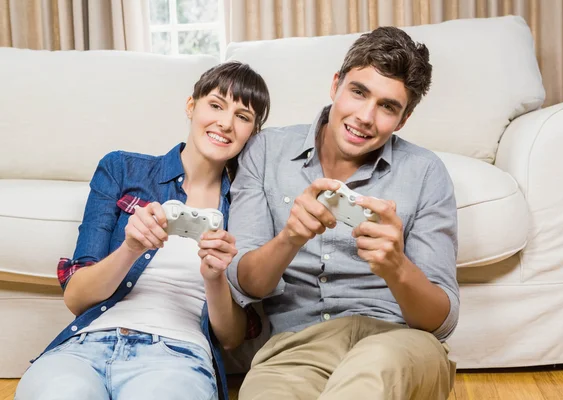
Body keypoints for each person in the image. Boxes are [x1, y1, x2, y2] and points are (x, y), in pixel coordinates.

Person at [227, 27, 459, 400]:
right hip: (295, 348)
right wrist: (289, 238)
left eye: (388, 106)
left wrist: (397, 268)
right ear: (336, 85)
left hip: (397, 341)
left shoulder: (425, 172)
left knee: (370, 378)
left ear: (403, 120)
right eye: (359, 92)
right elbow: (246, 283)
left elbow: (441, 320)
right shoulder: (265, 150)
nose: (366, 116)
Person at [15, 61, 270, 400]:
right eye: (216, 105)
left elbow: (231, 337)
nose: (225, 123)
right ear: (191, 105)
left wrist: (214, 278)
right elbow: (76, 298)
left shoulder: (246, 205)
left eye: (242, 116)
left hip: (176, 358)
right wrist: (131, 248)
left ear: (252, 132)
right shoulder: (121, 170)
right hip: (85, 348)